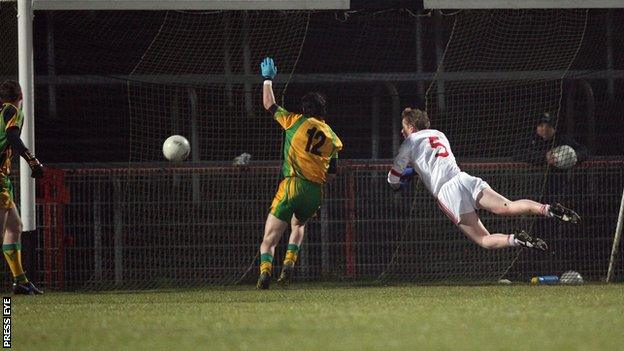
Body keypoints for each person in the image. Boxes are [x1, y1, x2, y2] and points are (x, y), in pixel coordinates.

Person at [388, 108, 580, 252]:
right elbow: (431, 159)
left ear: (411, 128)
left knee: (484, 240)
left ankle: (516, 239)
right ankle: (546, 209)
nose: (403, 132)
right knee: (509, 206)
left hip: (448, 192)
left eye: (404, 128)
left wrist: (398, 183)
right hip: (464, 179)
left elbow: (393, 177)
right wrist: (417, 170)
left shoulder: (409, 142)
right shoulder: (439, 134)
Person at [256, 58, 343, 289]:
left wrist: (267, 80)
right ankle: (288, 266)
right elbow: (333, 173)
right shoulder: (333, 138)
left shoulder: (295, 121)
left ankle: (265, 273)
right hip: (314, 192)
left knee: (268, 241)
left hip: (292, 184)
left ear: (305, 110)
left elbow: (269, 105)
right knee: (299, 226)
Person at [0, 80, 44, 295]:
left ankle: (21, 281)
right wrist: (32, 160)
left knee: (14, 227)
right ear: (21, 96)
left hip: (3, 180)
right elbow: (13, 137)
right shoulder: (12, 110)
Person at [516, 112, 589, 167]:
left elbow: (583, 150)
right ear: (537, 128)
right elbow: (518, 153)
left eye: (548, 126)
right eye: (541, 126)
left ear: (554, 128)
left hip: (557, 181)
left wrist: (569, 157)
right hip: (535, 181)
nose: (544, 129)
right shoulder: (531, 140)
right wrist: (545, 157)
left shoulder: (561, 139)